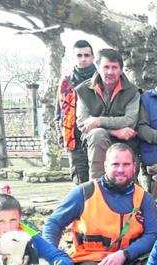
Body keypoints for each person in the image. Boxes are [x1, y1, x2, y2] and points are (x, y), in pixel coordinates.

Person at [44, 143, 157, 265]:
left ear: (134, 167)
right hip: (91, 259)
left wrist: (124, 255)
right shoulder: (84, 192)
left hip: (127, 257)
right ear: (105, 166)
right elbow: (53, 223)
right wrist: (51, 257)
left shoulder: (144, 198)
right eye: (115, 164)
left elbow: (152, 234)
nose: (120, 170)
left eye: (126, 165)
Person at [75, 48, 140, 179]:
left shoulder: (132, 91)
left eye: (114, 67)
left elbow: (130, 120)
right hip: (93, 143)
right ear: (98, 68)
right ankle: (97, 187)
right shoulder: (83, 90)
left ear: (121, 70)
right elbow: (83, 123)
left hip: (125, 144)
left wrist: (98, 121)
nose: (110, 72)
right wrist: (114, 131)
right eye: (106, 67)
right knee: (97, 134)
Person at [57, 40, 95, 184]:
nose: (83, 59)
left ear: (92, 57)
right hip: (75, 139)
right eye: (79, 55)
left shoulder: (103, 79)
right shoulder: (66, 82)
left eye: (86, 55)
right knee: (80, 184)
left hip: (98, 136)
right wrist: (62, 136)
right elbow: (60, 112)